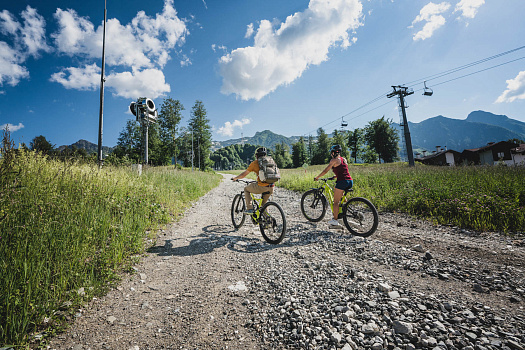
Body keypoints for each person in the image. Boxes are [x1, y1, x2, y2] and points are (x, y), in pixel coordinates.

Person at [314, 145, 353, 227]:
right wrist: (335, 177)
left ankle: (335, 220)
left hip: (342, 182)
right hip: (349, 181)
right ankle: (345, 211)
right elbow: (343, 171)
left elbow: (325, 170)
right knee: (341, 197)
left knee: (335, 202)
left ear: (333, 153)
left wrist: (317, 177)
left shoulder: (333, 160)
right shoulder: (344, 159)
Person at [231, 147, 274, 215]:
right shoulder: (271, 161)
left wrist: (235, 178)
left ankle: (250, 208)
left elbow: (243, 175)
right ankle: (268, 222)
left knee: (246, 189)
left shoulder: (255, 163)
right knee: (264, 204)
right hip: (271, 186)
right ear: (265, 155)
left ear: (256, 156)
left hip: (262, 187)